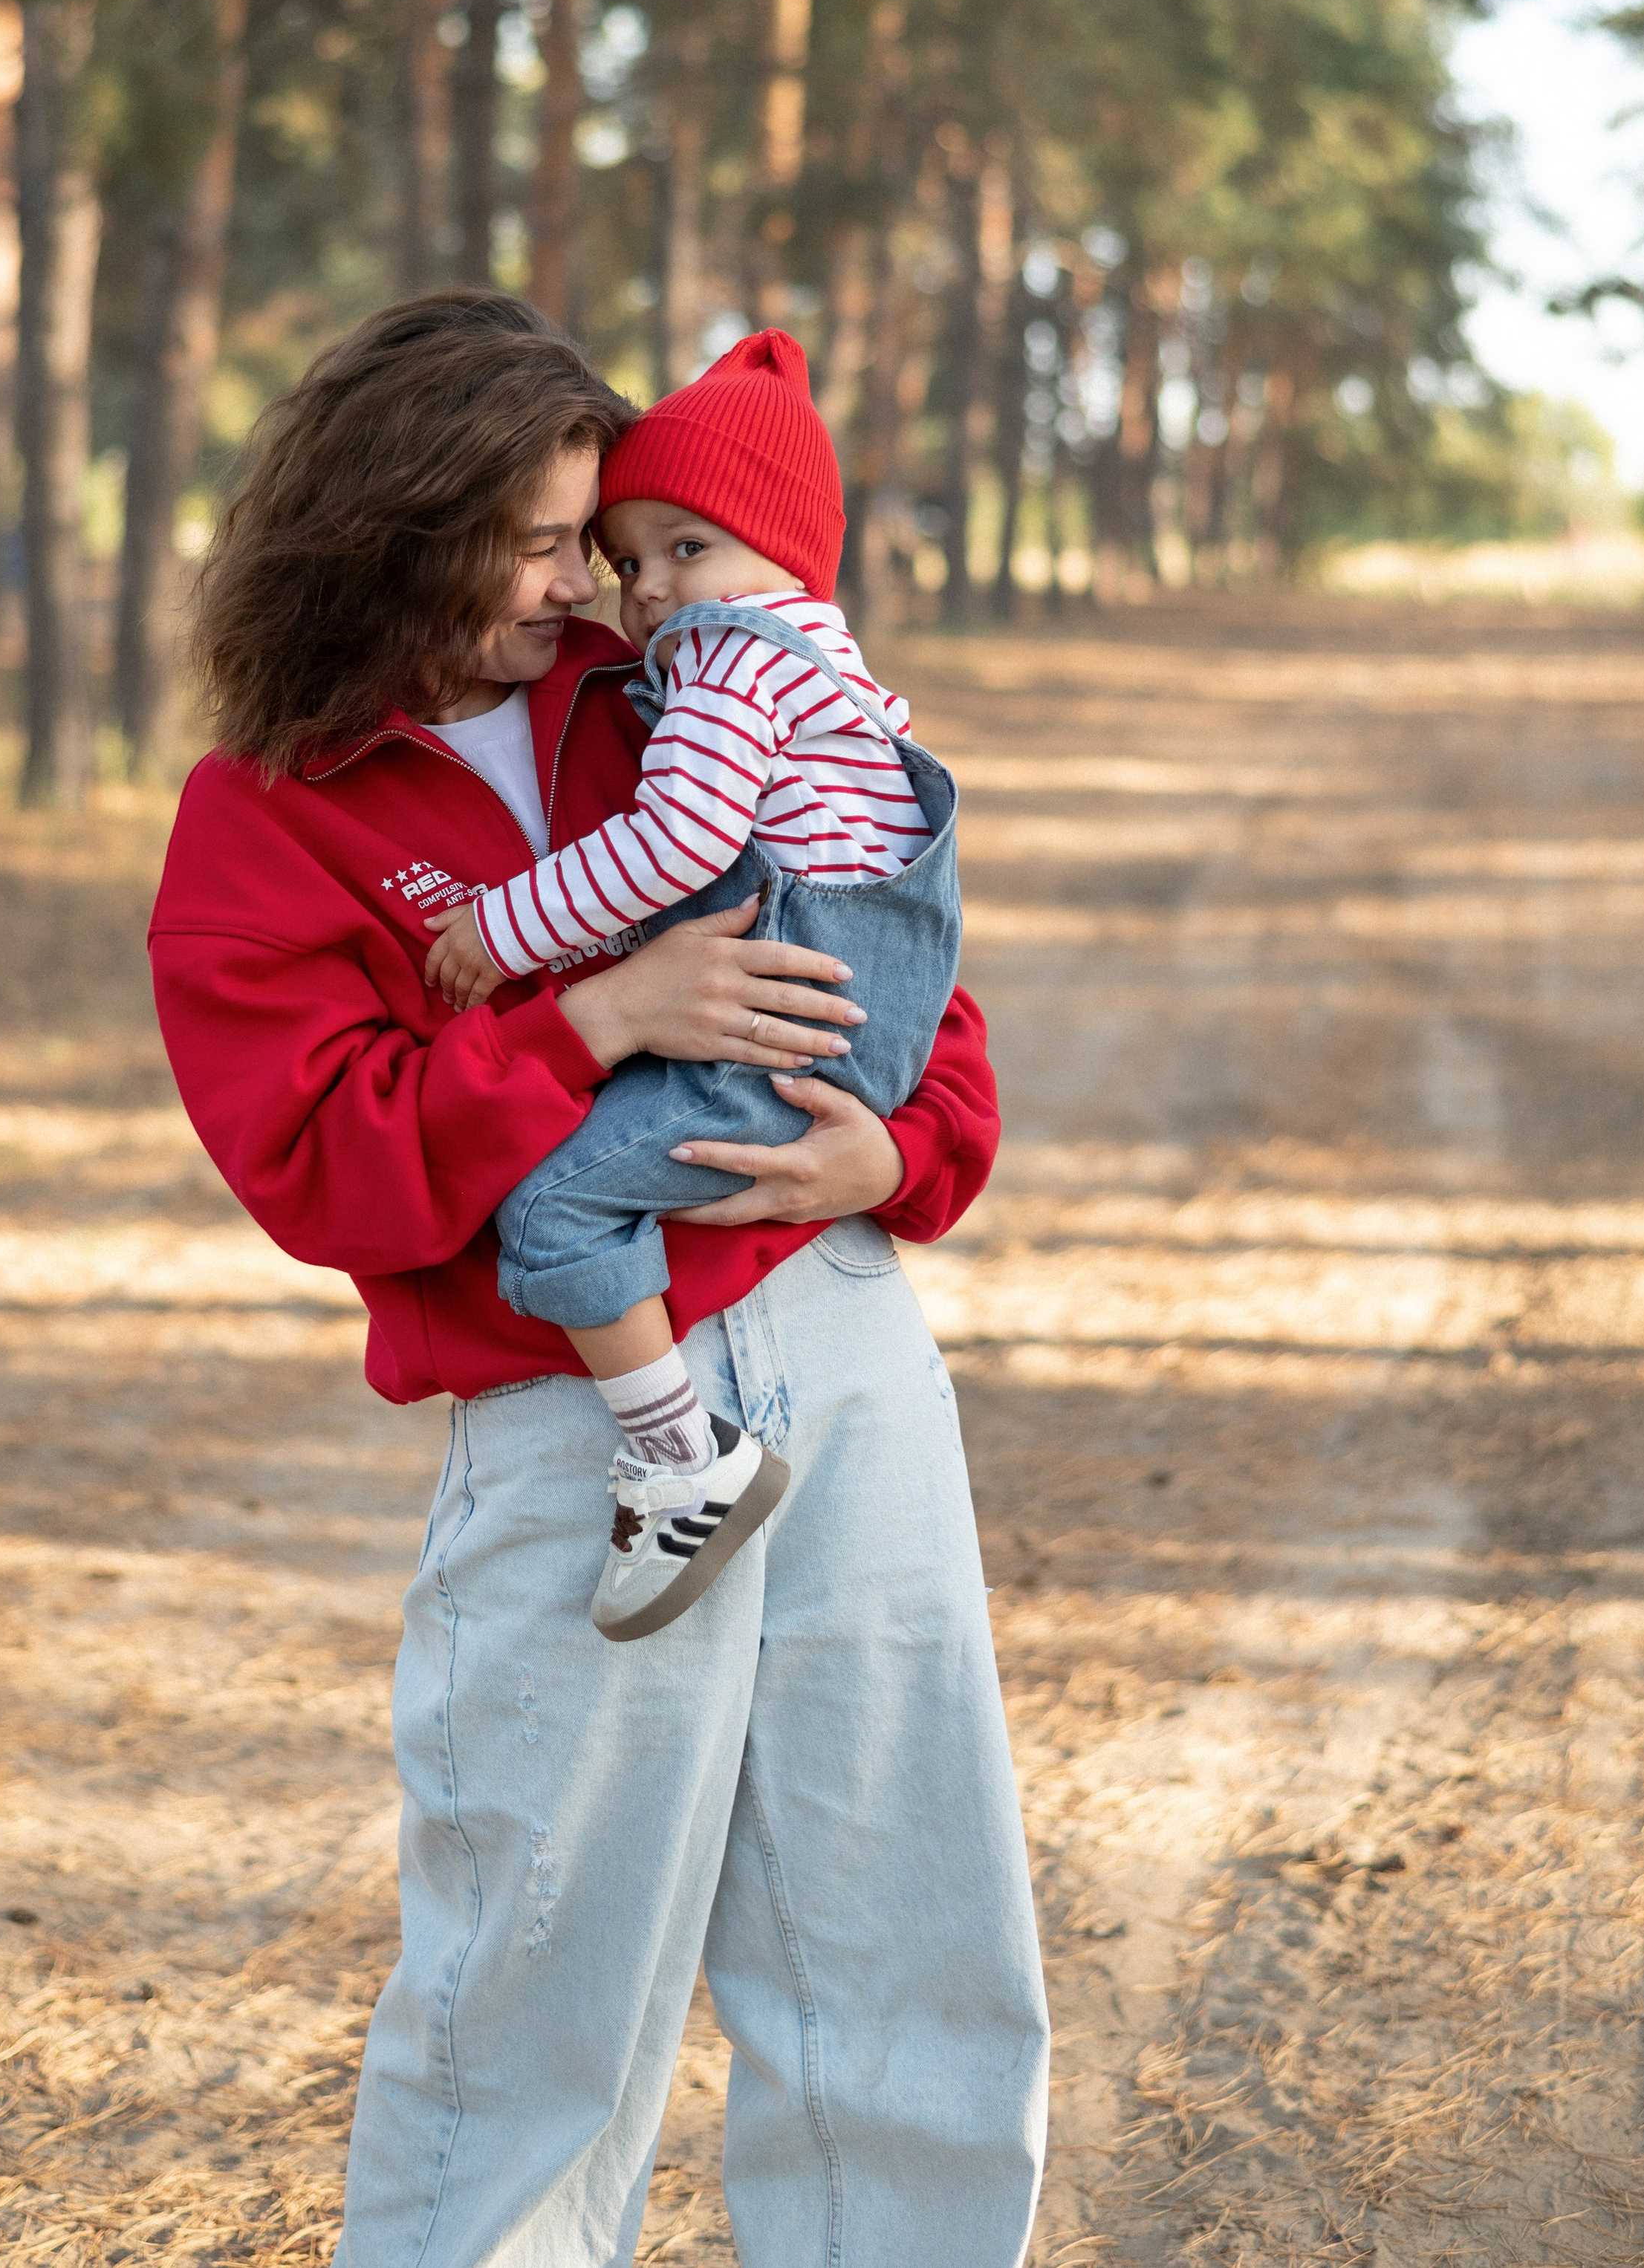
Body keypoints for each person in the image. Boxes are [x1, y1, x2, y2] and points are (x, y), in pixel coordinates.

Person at [150, 290, 1049, 2267]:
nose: (588, 587)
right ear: (398, 522)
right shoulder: (272, 819)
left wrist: (898, 1152)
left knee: (911, 1950)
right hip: (581, 1416)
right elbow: (325, 1157)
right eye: (546, 541)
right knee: (536, 2005)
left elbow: (908, 965)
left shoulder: (673, 689)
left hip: (841, 1336)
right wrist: (592, 1020)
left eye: (602, 539)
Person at [423, 328, 962, 1645]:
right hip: (848, 1048)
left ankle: (679, 1458)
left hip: (768, 1066)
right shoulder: (843, 680)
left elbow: (677, 842)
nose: (645, 591)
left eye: (687, 547)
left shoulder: (729, 659)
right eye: (626, 559)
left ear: (778, 547)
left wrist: (506, 932)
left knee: (550, 1211)